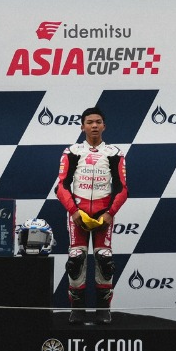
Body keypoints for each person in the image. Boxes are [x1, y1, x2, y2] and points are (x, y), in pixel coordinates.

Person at [55, 107, 128, 324]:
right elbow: (61, 186)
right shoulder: (72, 151)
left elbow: (122, 188)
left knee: (104, 259)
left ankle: (103, 310)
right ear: (82, 126)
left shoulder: (114, 153)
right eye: (89, 122)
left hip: (104, 214)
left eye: (98, 122)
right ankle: (77, 310)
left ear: (104, 126)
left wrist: (110, 213)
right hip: (78, 213)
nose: (94, 125)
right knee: (76, 259)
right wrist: (73, 211)